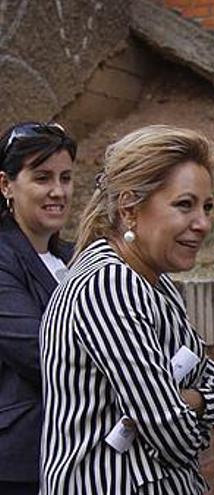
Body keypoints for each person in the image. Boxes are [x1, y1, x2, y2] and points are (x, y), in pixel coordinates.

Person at [40, 125, 214, 494]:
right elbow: (175, 437)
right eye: (184, 204)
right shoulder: (109, 285)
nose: (203, 224)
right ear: (130, 209)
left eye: (207, 207)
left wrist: (191, 400)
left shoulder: (156, 285)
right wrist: (187, 403)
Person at [0, 122, 76, 495]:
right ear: (6, 185)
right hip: (21, 464)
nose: (57, 192)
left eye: (66, 178)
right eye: (42, 177)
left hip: (77, 457)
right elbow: (40, 352)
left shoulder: (77, 258)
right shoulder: (2, 258)